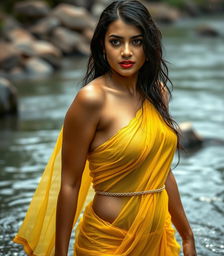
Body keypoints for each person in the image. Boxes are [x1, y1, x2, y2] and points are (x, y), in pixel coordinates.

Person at [13, 1, 197, 255]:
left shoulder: (158, 93)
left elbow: (161, 171)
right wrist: (59, 253)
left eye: (137, 41)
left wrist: (187, 236)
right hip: (106, 242)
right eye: (116, 41)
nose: (126, 52)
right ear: (102, 45)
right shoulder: (91, 100)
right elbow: (69, 183)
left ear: (149, 45)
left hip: (156, 239)